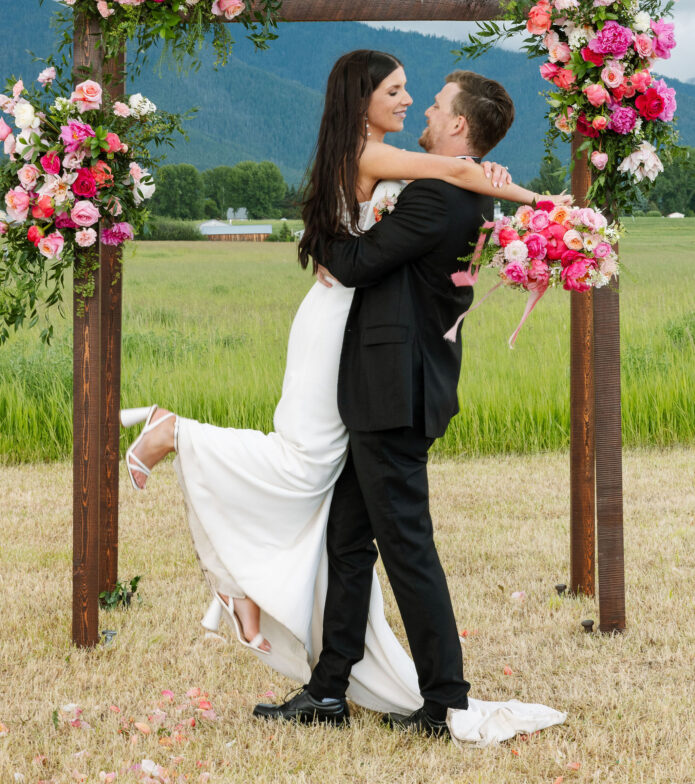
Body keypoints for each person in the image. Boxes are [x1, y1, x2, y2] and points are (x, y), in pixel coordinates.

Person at [122, 52, 567, 745]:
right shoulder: (445, 184)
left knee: (404, 547)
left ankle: (445, 699)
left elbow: (354, 263)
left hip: (392, 393)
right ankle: (328, 689)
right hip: (382, 385)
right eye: (399, 91)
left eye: (428, 102)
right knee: (347, 542)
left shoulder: (436, 193)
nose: (417, 106)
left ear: (455, 125)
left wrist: (326, 228)